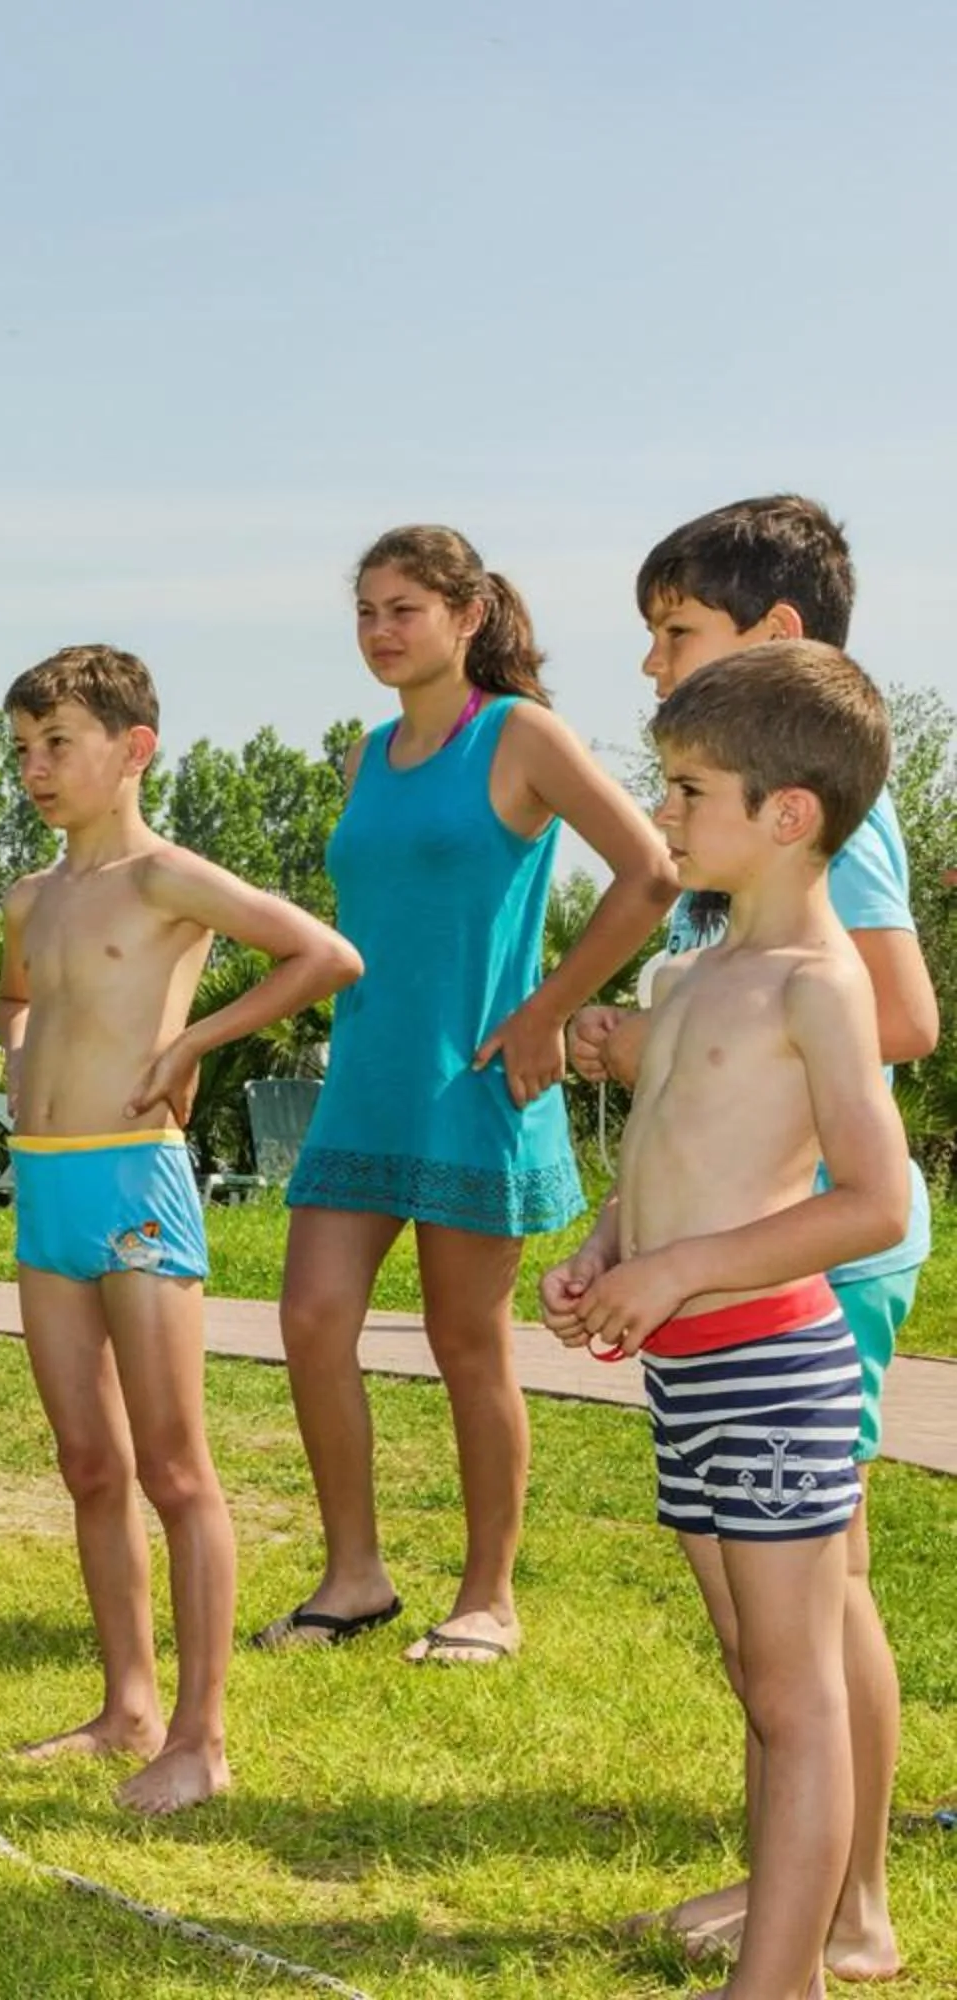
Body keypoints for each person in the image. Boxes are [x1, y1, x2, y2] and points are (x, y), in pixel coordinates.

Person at [569, 498, 930, 1982]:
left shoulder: (819, 982)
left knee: (798, 1697)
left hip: (770, 1362)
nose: (662, 817)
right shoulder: (706, 965)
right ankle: (781, 1931)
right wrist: (609, 1244)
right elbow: (668, 1156)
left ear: (788, 814)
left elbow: (877, 1202)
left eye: (687, 791)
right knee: (754, 1676)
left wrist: (682, 1270)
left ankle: (787, 1969)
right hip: (688, 1366)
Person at [262, 526, 676, 1665]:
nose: (381, 632)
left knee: (466, 1342)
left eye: (404, 609)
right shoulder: (362, 755)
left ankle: (488, 1595)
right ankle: (354, 1576)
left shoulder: (520, 735)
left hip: (477, 1081)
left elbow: (652, 870)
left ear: (468, 615)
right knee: (309, 1318)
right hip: (366, 1080)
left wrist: (548, 1007)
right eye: (366, 613)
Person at [0, 645, 360, 1814]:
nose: (37, 770)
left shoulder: (165, 879)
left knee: (173, 1465)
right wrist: (14, 1052)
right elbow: (15, 996)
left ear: (132, 749)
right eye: (23, 751)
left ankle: (201, 1739)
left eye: (59, 744)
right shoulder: (31, 895)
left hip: (135, 1187)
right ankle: (128, 1707)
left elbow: (325, 954)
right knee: (88, 1462)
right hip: (45, 1193)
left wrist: (194, 1042)